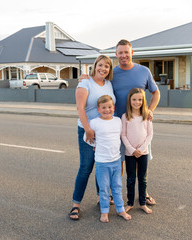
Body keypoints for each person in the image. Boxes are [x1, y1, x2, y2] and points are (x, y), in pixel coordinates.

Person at [80, 39, 160, 206]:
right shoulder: (112, 73)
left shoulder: (144, 71)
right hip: (119, 126)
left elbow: (156, 92)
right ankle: (111, 194)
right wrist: (86, 76)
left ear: (132, 53)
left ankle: (143, 194)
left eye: (126, 52)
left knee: (140, 162)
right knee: (120, 162)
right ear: (116, 55)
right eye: (120, 52)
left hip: (140, 126)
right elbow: (99, 80)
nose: (124, 55)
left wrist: (150, 110)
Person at [69, 55, 116, 220]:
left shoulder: (109, 84)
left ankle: (100, 197)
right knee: (86, 168)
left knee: (102, 166)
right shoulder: (85, 82)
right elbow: (80, 108)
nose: (103, 69)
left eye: (107, 67)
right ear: (95, 66)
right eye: (101, 65)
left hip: (104, 132)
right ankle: (76, 205)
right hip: (87, 131)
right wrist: (88, 129)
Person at [88, 95, 131, 223]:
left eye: (109, 107)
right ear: (98, 109)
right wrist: (95, 145)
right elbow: (88, 137)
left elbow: (120, 136)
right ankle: (104, 211)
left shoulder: (117, 120)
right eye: (104, 108)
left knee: (117, 186)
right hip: (102, 162)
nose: (107, 110)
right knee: (104, 188)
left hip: (116, 160)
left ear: (113, 107)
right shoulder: (95, 122)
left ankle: (120, 209)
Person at [121, 88, 153, 214]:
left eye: (140, 99)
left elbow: (150, 134)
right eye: (134, 99)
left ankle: (142, 203)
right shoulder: (125, 116)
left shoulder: (146, 115)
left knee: (142, 178)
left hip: (143, 152)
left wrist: (140, 149)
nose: (137, 102)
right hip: (130, 153)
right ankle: (129, 203)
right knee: (130, 178)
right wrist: (132, 150)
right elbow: (123, 135)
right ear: (130, 100)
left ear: (143, 101)